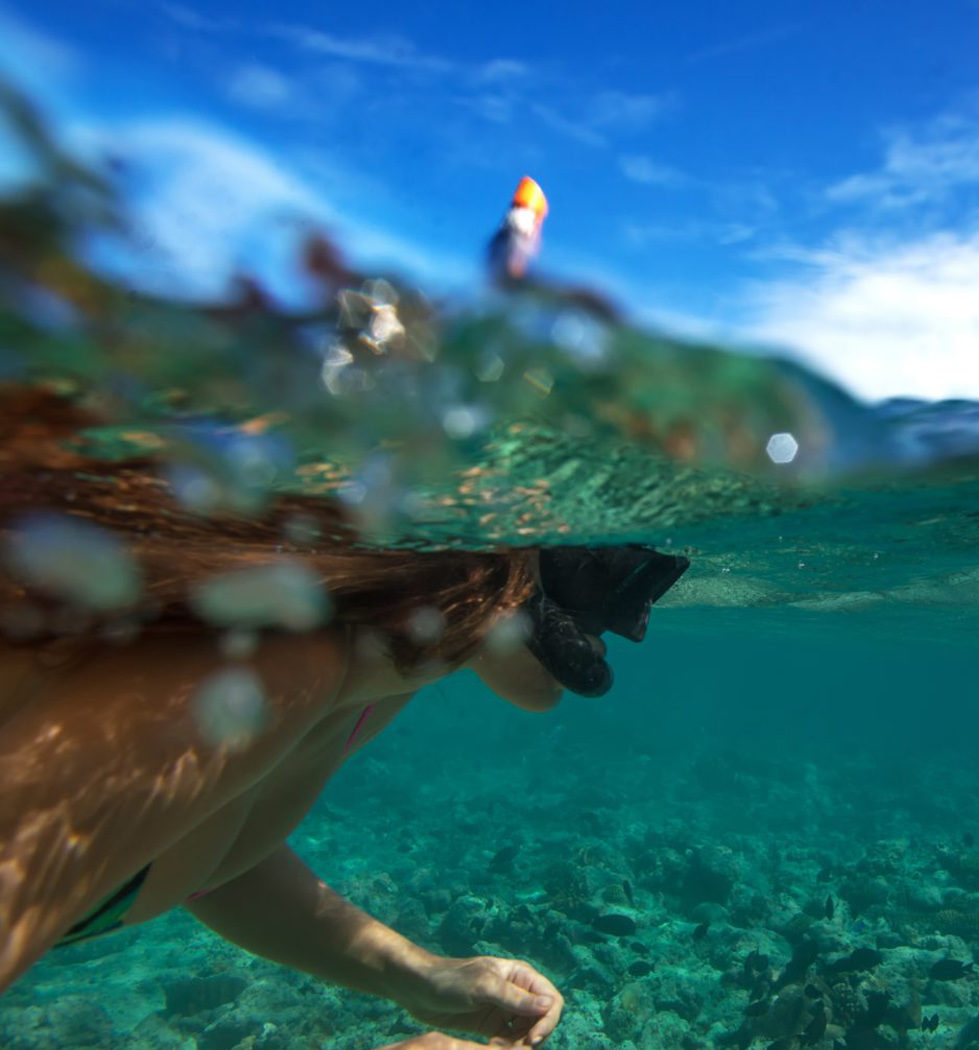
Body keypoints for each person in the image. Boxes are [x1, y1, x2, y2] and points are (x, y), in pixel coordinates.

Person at [0, 387, 687, 1049]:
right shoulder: (285, 662)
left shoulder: (383, 659)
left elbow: (199, 852)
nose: (620, 633)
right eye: (608, 572)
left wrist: (415, 975)